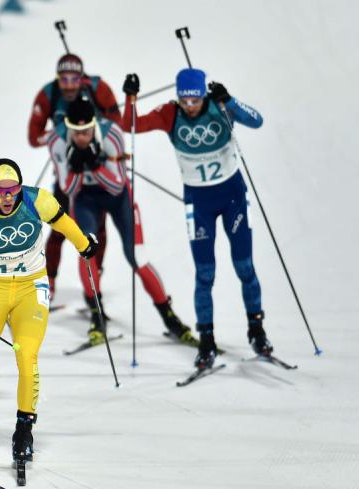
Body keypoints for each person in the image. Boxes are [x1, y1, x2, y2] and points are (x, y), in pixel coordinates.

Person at [0, 158, 98, 465]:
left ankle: (24, 429)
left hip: (31, 289)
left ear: (20, 187)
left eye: (12, 190)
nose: (6, 197)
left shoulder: (37, 199)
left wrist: (84, 245)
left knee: (26, 356)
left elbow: (63, 222)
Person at [122, 69, 270, 369]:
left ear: (204, 95)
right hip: (198, 203)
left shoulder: (220, 107)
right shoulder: (170, 114)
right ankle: (206, 340)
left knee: (244, 266)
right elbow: (130, 124)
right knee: (205, 274)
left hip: (233, 199)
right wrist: (130, 97)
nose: (190, 106)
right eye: (185, 100)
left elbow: (256, 121)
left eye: (195, 99)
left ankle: (256, 330)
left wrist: (230, 100)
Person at [56, 97, 195, 345]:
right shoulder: (58, 142)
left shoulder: (112, 135)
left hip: (117, 199)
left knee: (136, 257)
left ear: (93, 124)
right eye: (75, 133)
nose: (81, 137)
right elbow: (68, 189)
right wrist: (77, 168)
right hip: (85, 198)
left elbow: (117, 185)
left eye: (86, 131)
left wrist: (95, 164)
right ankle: (96, 315)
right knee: (86, 253)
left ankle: (168, 315)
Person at [28, 53, 119, 300]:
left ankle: (94, 278)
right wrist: (55, 135)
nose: (69, 85)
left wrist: (96, 129)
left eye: (74, 78)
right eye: (64, 79)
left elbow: (117, 123)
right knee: (59, 228)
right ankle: (50, 281)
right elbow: (33, 137)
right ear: (58, 78)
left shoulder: (97, 88)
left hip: (97, 171)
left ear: (82, 78)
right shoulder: (48, 94)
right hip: (67, 173)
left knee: (99, 230)